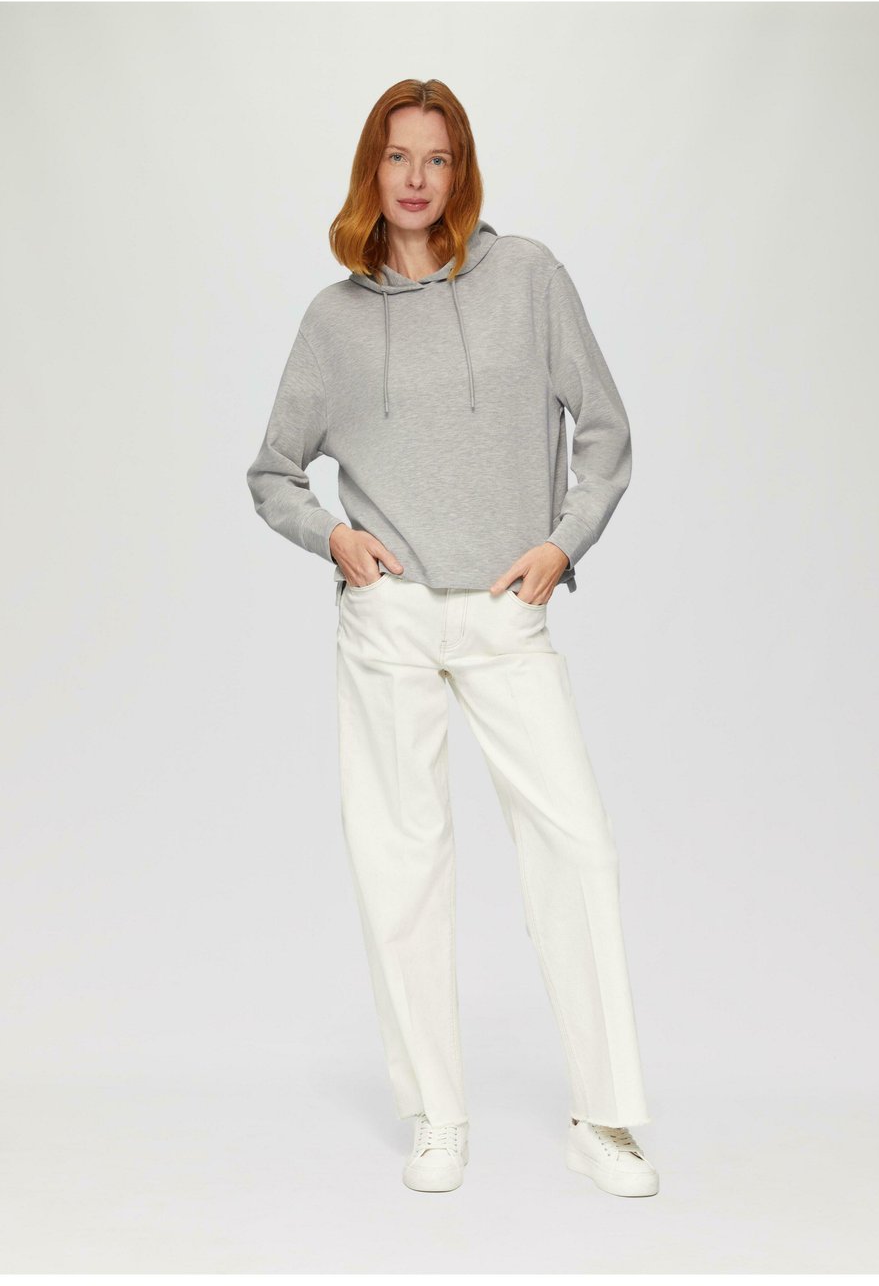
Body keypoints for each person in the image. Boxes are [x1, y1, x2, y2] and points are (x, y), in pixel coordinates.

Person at [246, 79, 659, 1198]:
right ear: (371, 171)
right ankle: (437, 1114)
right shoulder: (334, 321)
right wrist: (335, 538)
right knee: (403, 863)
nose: (417, 178)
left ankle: (606, 1119)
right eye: (398, 157)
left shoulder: (529, 278)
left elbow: (606, 430)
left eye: (437, 157)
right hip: (389, 615)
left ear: (461, 170)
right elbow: (272, 471)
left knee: (578, 846)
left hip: (503, 608)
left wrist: (562, 545)